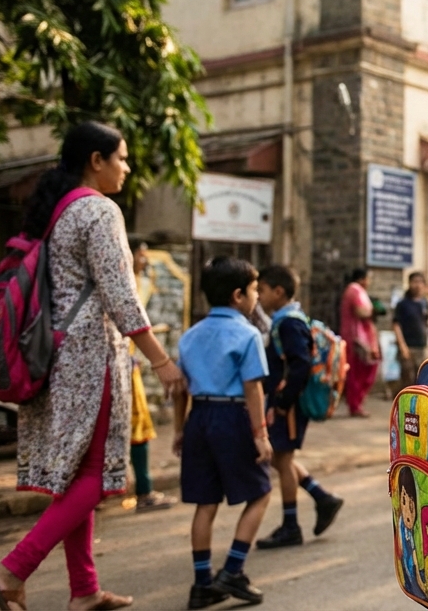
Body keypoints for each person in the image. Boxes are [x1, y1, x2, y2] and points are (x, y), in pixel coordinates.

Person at [0, 121, 185, 611]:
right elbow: (120, 295)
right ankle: (12, 569)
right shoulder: (98, 208)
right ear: (97, 160)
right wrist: (161, 361)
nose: (127, 168)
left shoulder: (59, 211)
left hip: (56, 356)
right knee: (95, 475)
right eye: (122, 157)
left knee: (76, 477)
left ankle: (85, 590)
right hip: (91, 357)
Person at [173, 257, 274, 609]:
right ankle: (232, 569)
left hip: (199, 416)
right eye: (253, 290)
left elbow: (179, 389)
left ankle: (202, 584)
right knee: (260, 492)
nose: (256, 297)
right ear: (237, 296)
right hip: (232, 417)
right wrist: (260, 434)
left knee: (206, 501)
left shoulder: (190, 335)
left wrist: (177, 430)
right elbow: (253, 390)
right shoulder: (247, 334)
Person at [254, 265, 345, 550]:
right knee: (282, 460)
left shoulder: (288, 322)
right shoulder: (287, 319)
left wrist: (282, 403)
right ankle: (322, 498)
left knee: (281, 461)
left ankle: (291, 525)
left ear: (278, 292)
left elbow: (300, 365)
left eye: (262, 290)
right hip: (286, 404)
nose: (259, 296)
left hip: (288, 406)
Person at [127, 242, 176, 512]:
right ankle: (144, 490)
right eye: (140, 254)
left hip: (124, 361)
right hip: (124, 364)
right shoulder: (126, 281)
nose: (144, 260)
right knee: (139, 426)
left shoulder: (137, 281)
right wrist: (161, 361)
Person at [339, 268, 380, 417]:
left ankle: (357, 403)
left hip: (362, 339)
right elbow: (359, 311)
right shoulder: (354, 290)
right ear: (362, 279)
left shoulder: (357, 291)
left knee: (365, 370)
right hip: (357, 339)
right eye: (368, 279)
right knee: (358, 373)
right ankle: (355, 405)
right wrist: (374, 310)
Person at [393, 271, 428, 386]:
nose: (418, 285)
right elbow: (396, 325)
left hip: (421, 347)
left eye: (420, 282)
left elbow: (426, 323)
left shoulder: (425, 303)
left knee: (420, 379)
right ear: (409, 284)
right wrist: (403, 346)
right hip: (408, 347)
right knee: (407, 380)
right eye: (415, 282)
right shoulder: (403, 304)